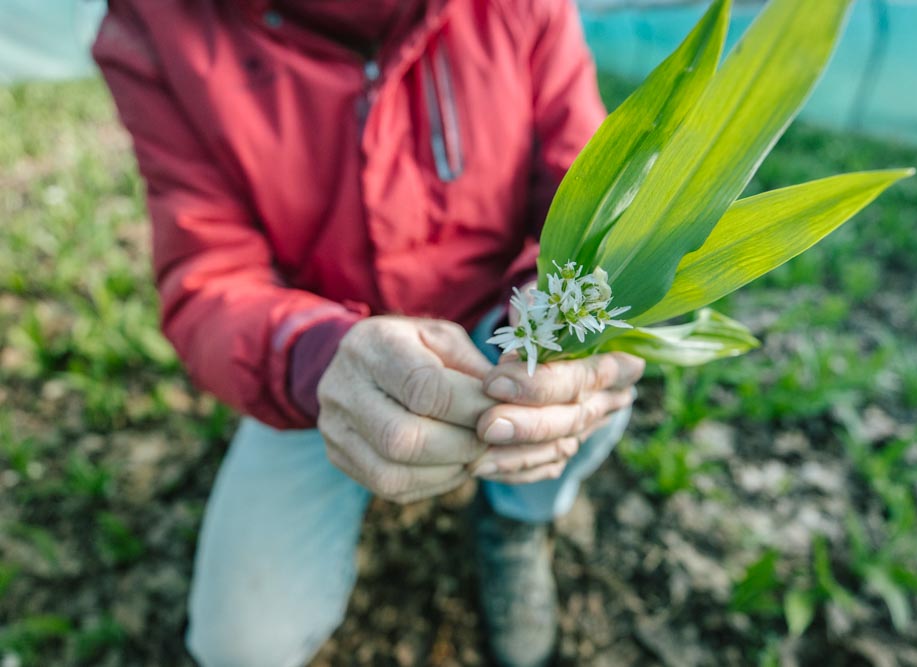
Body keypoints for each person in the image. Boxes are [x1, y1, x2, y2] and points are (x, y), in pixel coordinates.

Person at [92, 1, 644, 666]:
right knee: (241, 644)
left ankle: (516, 519)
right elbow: (206, 275)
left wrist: (536, 322)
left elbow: (582, 187)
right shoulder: (158, 24)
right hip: (320, 349)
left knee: (596, 398)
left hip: (498, 314)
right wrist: (315, 360)